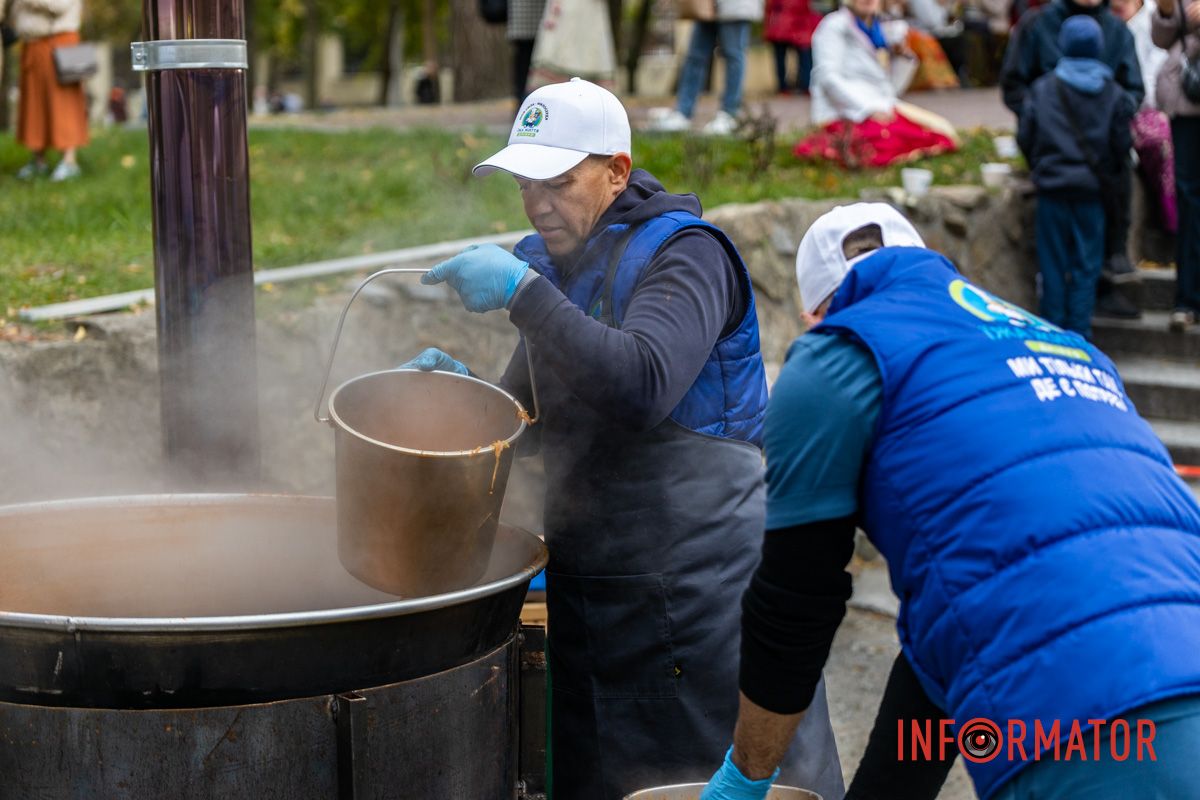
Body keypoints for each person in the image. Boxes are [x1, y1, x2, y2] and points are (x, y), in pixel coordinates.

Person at [401, 78, 844, 800]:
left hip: (704, 608)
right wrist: (457, 395)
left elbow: (642, 384)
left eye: (559, 181)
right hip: (597, 603)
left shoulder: (687, 256)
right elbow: (526, 420)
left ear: (616, 170)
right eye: (524, 185)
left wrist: (522, 294)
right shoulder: (560, 273)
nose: (538, 202)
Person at [699, 202, 1200, 800]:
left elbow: (795, 601)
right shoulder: (1068, 347)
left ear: (816, 315)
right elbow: (937, 667)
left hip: (1085, 721)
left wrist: (745, 778)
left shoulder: (838, 355)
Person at [1000, 0, 1144, 294]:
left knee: (1085, 262)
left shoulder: (1118, 31)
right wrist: (1044, 124)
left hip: (1099, 171)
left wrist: (1104, 115)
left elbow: (1133, 91)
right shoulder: (1037, 24)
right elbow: (1014, 87)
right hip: (1053, 164)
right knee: (1061, 263)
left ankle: (1110, 272)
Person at [1018, 15, 1135, 337]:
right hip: (1092, 193)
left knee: (1052, 266)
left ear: (1063, 45)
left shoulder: (1042, 89)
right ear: (1098, 47)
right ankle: (1079, 336)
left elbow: (1026, 135)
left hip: (1052, 191)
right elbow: (1121, 145)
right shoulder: (1112, 93)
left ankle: (1052, 336)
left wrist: (1041, 165)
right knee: (1087, 268)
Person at [794, 0, 960, 167]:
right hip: (845, 110)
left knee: (940, 132)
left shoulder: (880, 29)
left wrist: (901, 57)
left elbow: (890, 89)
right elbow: (827, 78)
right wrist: (868, 109)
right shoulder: (834, 26)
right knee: (885, 140)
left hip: (880, 105)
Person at [1152, 0, 1200, 330]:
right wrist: (1167, 12)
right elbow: (1162, 39)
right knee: (1189, 198)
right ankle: (1187, 298)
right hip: (1189, 102)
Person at [1, 0, 88, 181]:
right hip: (32, 43)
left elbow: (60, 5)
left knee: (64, 103)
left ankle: (69, 161)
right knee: (34, 106)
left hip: (59, 41)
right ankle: (38, 160)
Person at [1113, 0, 1177, 235]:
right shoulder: (1104, 20)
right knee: (1160, 141)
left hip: (1155, 105)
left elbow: (1156, 74)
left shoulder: (1154, 16)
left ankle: (1175, 219)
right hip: (1123, 109)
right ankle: (1173, 220)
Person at [650, 0, 764, 134]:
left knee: (733, 55)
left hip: (734, 6)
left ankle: (730, 114)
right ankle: (683, 113)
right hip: (706, 5)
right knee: (695, 57)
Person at [764, 0, 823, 94]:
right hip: (798, 25)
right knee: (804, 56)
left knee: (781, 58)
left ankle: (784, 87)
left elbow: (769, 6)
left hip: (783, 24)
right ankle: (806, 85)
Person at [507, 0, 547, 104]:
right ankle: (524, 102)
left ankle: (526, 101)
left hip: (546, 12)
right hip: (526, 13)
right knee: (525, 55)